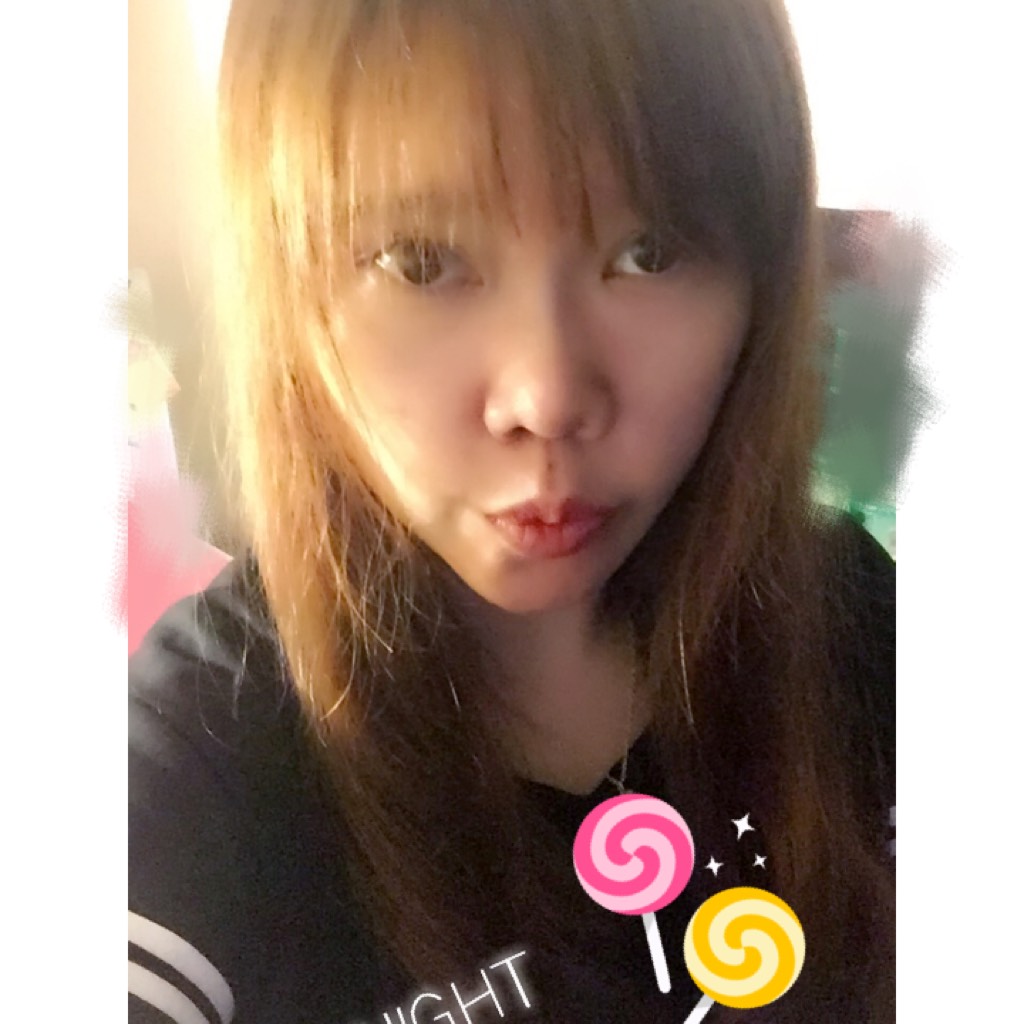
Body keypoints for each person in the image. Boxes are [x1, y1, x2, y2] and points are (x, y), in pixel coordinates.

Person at [128, 1, 895, 1022]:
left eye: (652, 250)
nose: (547, 396)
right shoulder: (203, 748)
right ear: (294, 283)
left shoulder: (856, 620)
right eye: (420, 261)